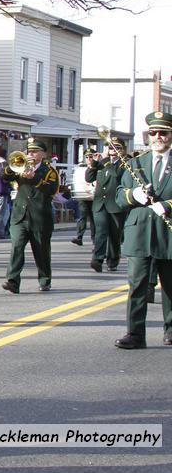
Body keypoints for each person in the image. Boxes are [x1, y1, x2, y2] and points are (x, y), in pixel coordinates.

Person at [113, 111, 172, 349]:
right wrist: (134, 195)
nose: (158, 136)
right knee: (136, 285)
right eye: (153, 133)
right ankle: (135, 333)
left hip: (167, 231)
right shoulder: (136, 163)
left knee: (169, 285)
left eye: (163, 133)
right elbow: (118, 195)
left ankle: (171, 330)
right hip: (139, 232)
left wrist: (167, 205)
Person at [1, 138, 60, 293]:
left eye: (35, 151)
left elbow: (51, 190)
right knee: (17, 247)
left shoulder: (50, 171)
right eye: (29, 151)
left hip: (40, 216)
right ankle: (13, 280)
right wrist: (14, 167)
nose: (31, 154)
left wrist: (33, 178)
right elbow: (5, 176)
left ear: (43, 154)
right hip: (20, 215)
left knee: (41, 251)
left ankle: (45, 279)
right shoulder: (21, 167)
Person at [84, 138, 126, 272]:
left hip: (115, 204)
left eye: (117, 148)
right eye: (111, 148)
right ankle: (97, 259)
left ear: (122, 150)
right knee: (101, 232)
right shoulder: (102, 162)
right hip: (100, 203)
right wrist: (92, 165)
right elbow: (89, 178)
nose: (113, 150)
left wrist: (108, 163)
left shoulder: (125, 164)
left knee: (114, 235)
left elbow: (116, 175)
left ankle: (113, 261)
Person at [71, 149, 97, 246]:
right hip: (83, 195)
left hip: (94, 196)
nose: (89, 159)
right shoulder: (81, 168)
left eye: (91, 156)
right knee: (82, 217)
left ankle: (95, 241)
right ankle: (79, 237)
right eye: (87, 157)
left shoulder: (98, 167)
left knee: (93, 219)